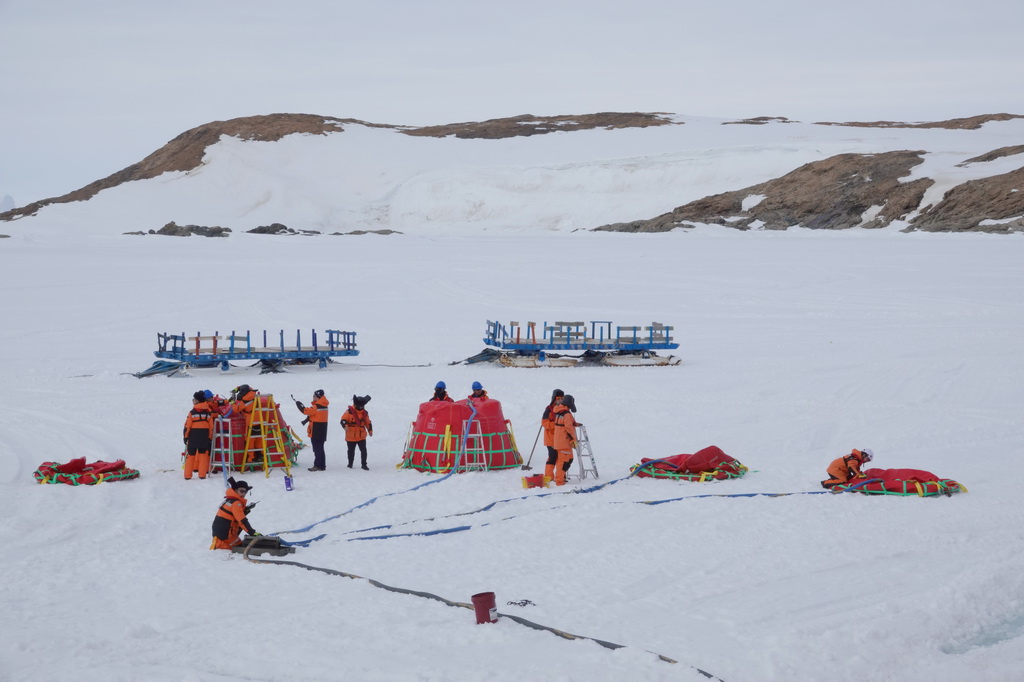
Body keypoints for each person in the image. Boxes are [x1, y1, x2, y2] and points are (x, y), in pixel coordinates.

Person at [210, 477, 259, 549]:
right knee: (238, 544)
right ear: (236, 490)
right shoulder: (236, 503)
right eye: (241, 491)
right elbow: (242, 520)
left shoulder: (230, 499)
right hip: (226, 537)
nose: (243, 494)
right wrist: (252, 532)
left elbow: (233, 515)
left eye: (245, 492)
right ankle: (224, 545)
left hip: (219, 534)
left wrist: (245, 510)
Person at [183, 390, 214, 480]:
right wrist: (210, 437)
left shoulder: (192, 412)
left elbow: (187, 426)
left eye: (194, 399)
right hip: (204, 437)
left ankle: (188, 475)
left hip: (193, 437)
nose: (193, 400)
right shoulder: (208, 412)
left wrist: (185, 437)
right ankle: (202, 475)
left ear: (197, 401)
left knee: (191, 456)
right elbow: (211, 427)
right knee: (203, 456)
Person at [296, 389, 329, 471]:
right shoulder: (324, 405)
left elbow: (305, 411)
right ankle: (322, 465)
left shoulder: (316, 407)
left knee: (317, 449)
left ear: (318, 397)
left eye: (314, 396)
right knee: (321, 448)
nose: (313, 397)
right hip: (322, 429)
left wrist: (299, 404)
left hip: (316, 430)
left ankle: (317, 465)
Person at [550, 394, 578, 486]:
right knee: (563, 462)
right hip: (564, 442)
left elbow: (567, 423)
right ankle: (559, 481)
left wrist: (575, 423)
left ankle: (560, 478)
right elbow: (568, 428)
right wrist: (574, 440)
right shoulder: (566, 414)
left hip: (560, 441)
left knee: (568, 460)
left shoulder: (560, 412)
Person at [341, 395, 373, 470]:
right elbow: (343, 420)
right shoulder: (348, 412)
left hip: (361, 435)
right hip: (351, 436)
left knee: (363, 450)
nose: (361, 407)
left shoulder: (365, 413)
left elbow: (368, 423)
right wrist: (345, 426)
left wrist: (370, 430)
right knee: (351, 451)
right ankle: (350, 464)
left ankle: (364, 464)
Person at [541, 389, 565, 481]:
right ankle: (549, 476)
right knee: (552, 456)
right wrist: (556, 425)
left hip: (560, 438)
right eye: (559, 398)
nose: (560, 400)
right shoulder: (548, 409)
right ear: (554, 398)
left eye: (562, 398)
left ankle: (561, 476)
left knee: (561, 457)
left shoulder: (563, 409)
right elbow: (544, 423)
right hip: (550, 438)